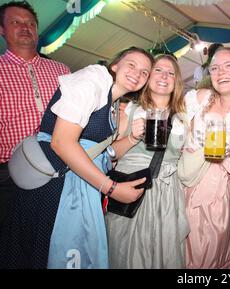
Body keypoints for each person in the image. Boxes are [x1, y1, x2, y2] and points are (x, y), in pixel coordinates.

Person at [0, 46, 153, 269]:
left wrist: (132, 138)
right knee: (46, 254)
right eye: (131, 64)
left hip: (79, 185)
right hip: (53, 185)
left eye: (145, 72)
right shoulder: (93, 79)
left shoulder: (112, 102)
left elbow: (102, 155)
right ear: (115, 65)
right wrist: (111, 189)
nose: (137, 73)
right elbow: (61, 142)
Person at [105, 54, 190, 269]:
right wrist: (131, 137)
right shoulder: (130, 109)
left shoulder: (185, 116)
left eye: (171, 73)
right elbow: (110, 152)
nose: (164, 76)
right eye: (158, 70)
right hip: (133, 186)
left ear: (176, 81)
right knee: (128, 254)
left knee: (164, 254)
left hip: (168, 192)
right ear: (148, 76)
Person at [180, 46, 230, 268]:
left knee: (205, 257)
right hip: (178, 188)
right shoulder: (196, 98)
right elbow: (175, 138)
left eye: (228, 66)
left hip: (212, 197)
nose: (221, 72)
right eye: (214, 68)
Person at [0, 1, 70, 227]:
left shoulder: (62, 70)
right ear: (2, 30)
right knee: (12, 241)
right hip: (9, 174)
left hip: (59, 165)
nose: (24, 27)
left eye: (30, 23)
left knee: (53, 234)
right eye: (15, 22)